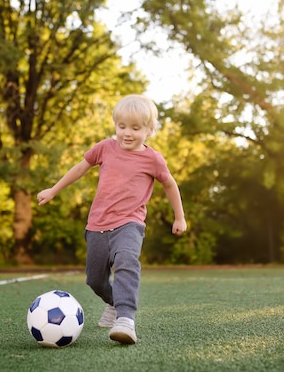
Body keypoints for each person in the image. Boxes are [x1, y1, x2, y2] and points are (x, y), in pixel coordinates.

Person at [37, 94, 187, 345]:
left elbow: (170, 185)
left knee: (127, 260)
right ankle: (113, 303)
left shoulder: (153, 159)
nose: (127, 133)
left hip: (130, 223)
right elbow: (80, 168)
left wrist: (179, 217)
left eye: (136, 128)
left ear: (149, 130)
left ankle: (126, 319)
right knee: (94, 279)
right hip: (97, 225)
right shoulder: (104, 148)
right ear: (115, 125)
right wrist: (53, 190)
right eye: (122, 126)